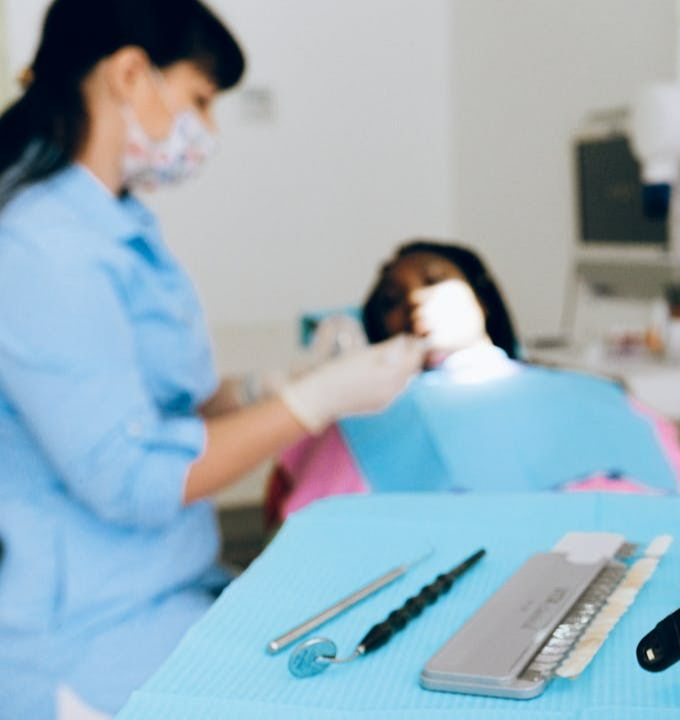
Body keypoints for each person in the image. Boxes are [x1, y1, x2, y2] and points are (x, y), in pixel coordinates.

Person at [0, 2, 430, 717]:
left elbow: (161, 400)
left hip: (172, 585)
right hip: (90, 634)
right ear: (130, 74)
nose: (210, 129)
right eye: (200, 100)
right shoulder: (41, 250)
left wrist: (273, 386)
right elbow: (132, 476)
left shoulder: (118, 225)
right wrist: (312, 402)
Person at [266, 241, 680, 524]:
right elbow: (311, 534)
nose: (415, 299)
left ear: (480, 297)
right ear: (381, 325)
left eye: (434, 280)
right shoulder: (366, 418)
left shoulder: (592, 390)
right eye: (391, 301)